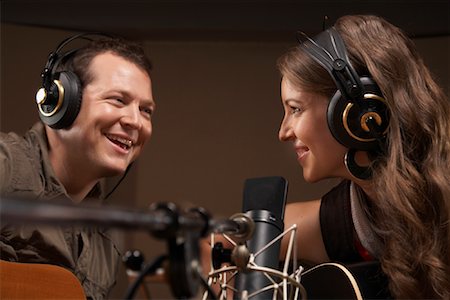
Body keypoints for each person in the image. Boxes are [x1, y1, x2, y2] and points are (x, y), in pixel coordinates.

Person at [277, 15, 449, 299]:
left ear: (354, 112)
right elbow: (217, 243)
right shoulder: (347, 215)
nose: (283, 132)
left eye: (295, 109)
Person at [0, 33, 155, 299]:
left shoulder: (106, 243)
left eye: (146, 110)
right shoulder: (5, 165)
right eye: (118, 100)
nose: (135, 121)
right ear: (61, 102)